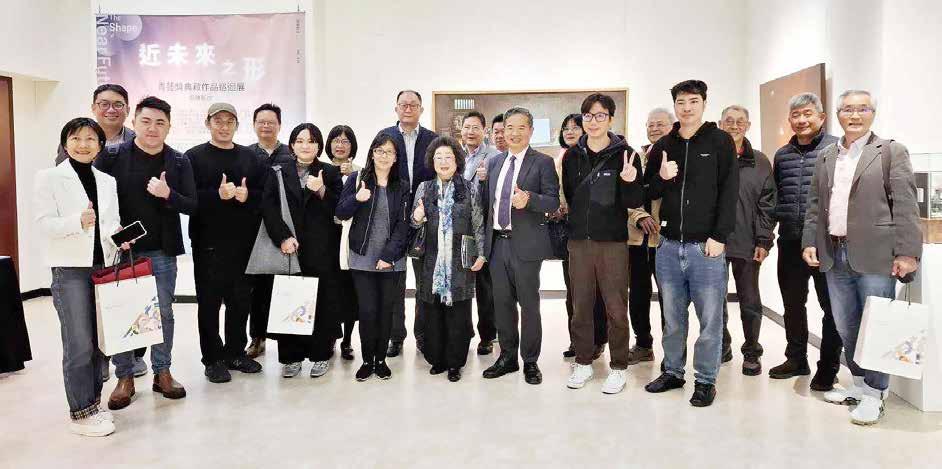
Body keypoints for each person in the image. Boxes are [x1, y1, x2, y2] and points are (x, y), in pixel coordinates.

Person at [802, 89, 921, 425]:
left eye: (862, 109)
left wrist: (908, 252)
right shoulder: (827, 155)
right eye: (847, 109)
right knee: (846, 324)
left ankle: (875, 394)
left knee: (878, 325)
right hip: (833, 252)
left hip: (876, 255)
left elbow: (906, 204)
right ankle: (858, 383)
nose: (854, 115)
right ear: (837, 114)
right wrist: (810, 240)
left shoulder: (891, 151)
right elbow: (815, 205)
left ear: (873, 113)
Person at [94, 96, 195, 410]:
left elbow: (192, 205)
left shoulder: (178, 161)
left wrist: (168, 194)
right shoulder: (111, 157)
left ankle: (162, 372)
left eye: (160, 123)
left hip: (162, 251)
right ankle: (124, 377)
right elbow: (97, 201)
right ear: (134, 122)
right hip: (121, 251)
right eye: (146, 121)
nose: (153, 128)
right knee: (123, 312)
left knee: (162, 313)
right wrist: (113, 236)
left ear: (169, 127)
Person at [643, 80, 738, 407]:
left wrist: (720, 236)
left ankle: (706, 380)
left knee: (710, 320)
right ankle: (672, 371)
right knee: (672, 318)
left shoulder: (720, 141)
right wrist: (662, 177)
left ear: (704, 104)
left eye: (693, 101)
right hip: (668, 246)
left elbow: (730, 191)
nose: (686, 108)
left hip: (705, 247)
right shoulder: (663, 145)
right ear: (675, 106)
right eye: (681, 102)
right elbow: (647, 191)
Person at [35, 118, 126, 436]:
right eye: (76, 138)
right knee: (78, 344)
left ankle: (93, 405)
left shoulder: (107, 180)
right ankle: (80, 412)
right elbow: (44, 224)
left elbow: (110, 223)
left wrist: (119, 237)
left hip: (104, 267)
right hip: (70, 269)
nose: (83, 144)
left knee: (99, 342)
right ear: (65, 143)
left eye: (90, 139)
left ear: (100, 145)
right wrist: (77, 221)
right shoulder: (48, 178)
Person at [561, 94, 643, 394]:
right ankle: (583, 361)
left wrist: (630, 180)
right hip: (579, 242)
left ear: (611, 119)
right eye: (588, 116)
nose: (593, 122)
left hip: (612, 243)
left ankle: (619, 367)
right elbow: (571, 196)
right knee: (580, 306)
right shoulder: (572, 156)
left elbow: (635, 201)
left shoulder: (626, 154)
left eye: (600, 116)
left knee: (616, 307)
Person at [186, 102, 265, 383]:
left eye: (229, 121)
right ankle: (212, 359)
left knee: (240, 301)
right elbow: (187, 200)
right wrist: (215, 195)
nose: (223, 126)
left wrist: (247, 196)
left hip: (243, 243)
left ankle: (235, 353)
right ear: (208, 123)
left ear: (237, 125)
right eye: (217, 121)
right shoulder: (193, 157)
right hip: (208, 244)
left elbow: (262, 194)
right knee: (209, 304)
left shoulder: (250, 157)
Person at [481, 107, 560, 385]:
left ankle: (530, 361)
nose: (514, 133)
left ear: (531, 131)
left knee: (529, 305)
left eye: (521, 127)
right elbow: (487, 206)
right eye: (509, 128)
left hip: (525, 245)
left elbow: (553, 201)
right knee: (502, 304)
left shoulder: (543, 162)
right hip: (497, 244)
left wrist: (530, 200)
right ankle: (507, 357)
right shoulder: (494, 163)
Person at [770, 92, 842, 391]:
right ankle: (796, 358)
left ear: (821, 117)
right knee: (793, 304)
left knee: (831, 307)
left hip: (826, 243)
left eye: (807, 114)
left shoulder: (836, 149)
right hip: (789, 240)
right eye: (796, 115)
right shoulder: (782, 155)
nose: (801, 120)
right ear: (790, 120)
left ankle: (828, 367)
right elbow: (776, 196)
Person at [260, 123, 344, 378]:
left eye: (311, 141)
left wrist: (321, 190)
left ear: (319, 145)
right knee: (290, 298)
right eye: (300, 140)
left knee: (322, 301)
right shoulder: (277, 171)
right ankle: (291, 357)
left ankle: (321, 354)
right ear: (292, 145)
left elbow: (340, 209)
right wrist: (282, 237)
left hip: (322, 248)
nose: (305, 145)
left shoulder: (330, 172)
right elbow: (268, 208)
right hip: (289, 247)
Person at [410, 136, 487, 382]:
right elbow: (413, 223)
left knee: (458, 314)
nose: (443, 162)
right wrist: (417, 216)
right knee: (432, 312)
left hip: (460, 259)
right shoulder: (424, 188)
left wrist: (481, 253)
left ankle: (455, 363)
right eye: (438, 157)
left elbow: (478, 222)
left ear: (457, 161)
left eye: (448, 157)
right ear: (432, 162)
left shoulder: (469, 188)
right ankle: (437, 359)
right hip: (431, 260)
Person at [336, 133, 411, 381]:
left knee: (386, 310)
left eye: (389, 152)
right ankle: (367, 360)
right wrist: (356, 199)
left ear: (396, 157)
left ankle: (381, 360)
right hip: (362, 256)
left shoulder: (402, 186)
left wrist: (389, 256)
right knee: (367, 310)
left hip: (392, 259)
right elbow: (340, 212)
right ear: (372, 153)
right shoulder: (357, 179)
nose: (383, 156)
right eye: (379, 151)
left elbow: (403, 225)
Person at [717, 105, 776, 376]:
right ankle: (723, 345)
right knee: (714, 300)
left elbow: (768, 205)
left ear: (748, 126)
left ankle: (752, 351)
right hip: (713, 242)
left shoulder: (760, 162)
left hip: (748, 243)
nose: (734, 125)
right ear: (720, 124)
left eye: (740, 121)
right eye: (729, 121)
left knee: (749, 300)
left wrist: (764, 241)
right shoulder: (711, 156)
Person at [380, 90, 438, 358]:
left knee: (424, 281)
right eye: (403, 104)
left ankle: (423, 334)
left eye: (413, 105)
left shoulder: (432, 139)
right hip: (393, 219)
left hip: (425, 219)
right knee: (395, 282)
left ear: (421, 109)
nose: (408, 108)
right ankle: (396, 336)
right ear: (396, 108)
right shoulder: (385, 137)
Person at [552, 113, 608, 360]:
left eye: (575, 127)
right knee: (573, 291)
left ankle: (598, 339)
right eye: (566, 128)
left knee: (595, 290)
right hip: (569, 231)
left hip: (596, 232)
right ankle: (578, 340)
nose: (570, 132)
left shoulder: (594, 157)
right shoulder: (560, 159)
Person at [245, 103, 292, 359]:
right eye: (261, 122)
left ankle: (287, 342)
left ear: (279, 125)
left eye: (271, 122)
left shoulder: (290, 154)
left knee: (285, 286)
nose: (266, 126)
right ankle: (257, 337)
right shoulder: (246, 155)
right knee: (258, 289)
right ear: (254, 125)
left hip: (285, 230)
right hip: (255, 231)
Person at [626, 108, 673, 365]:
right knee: (638, 294)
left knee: (670, 296)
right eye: (650, 124)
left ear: (672, 126)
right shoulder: (636, 157)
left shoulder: (676, 155)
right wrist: (639, 215)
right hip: (636, 239)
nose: (654, 128)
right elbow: (626, 192)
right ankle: (643, 344)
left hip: (665, 239)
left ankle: (672, 351)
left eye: (660, 124)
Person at [458, 111, 500, 355]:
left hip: (483, 228)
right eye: (467, 127)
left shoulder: (494, 156)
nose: (470, 132)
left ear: (484, 131)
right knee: (462, 285)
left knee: (485, 287)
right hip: (459, 229)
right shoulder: (456, 155)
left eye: (475, 127)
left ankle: (487, 336)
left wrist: (486, 179)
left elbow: (498, 194)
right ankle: (463, 333)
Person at [324, 125, 361, 361]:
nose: (340, 145)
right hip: (326, 236)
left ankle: (347, 340)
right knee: (329, 290)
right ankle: (329, 338)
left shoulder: (361, 172)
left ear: (352, 146)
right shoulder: (321, 169)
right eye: (336, 140)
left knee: (349, 290)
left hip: (348, 237)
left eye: (345, 141)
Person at [55, 84, 136, 166]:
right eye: (104, 104)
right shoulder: (71, 139)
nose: (111, 110)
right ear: (93, 108)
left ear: (127, 110)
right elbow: (60, 171)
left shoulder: (138, 140)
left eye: (118, 105)